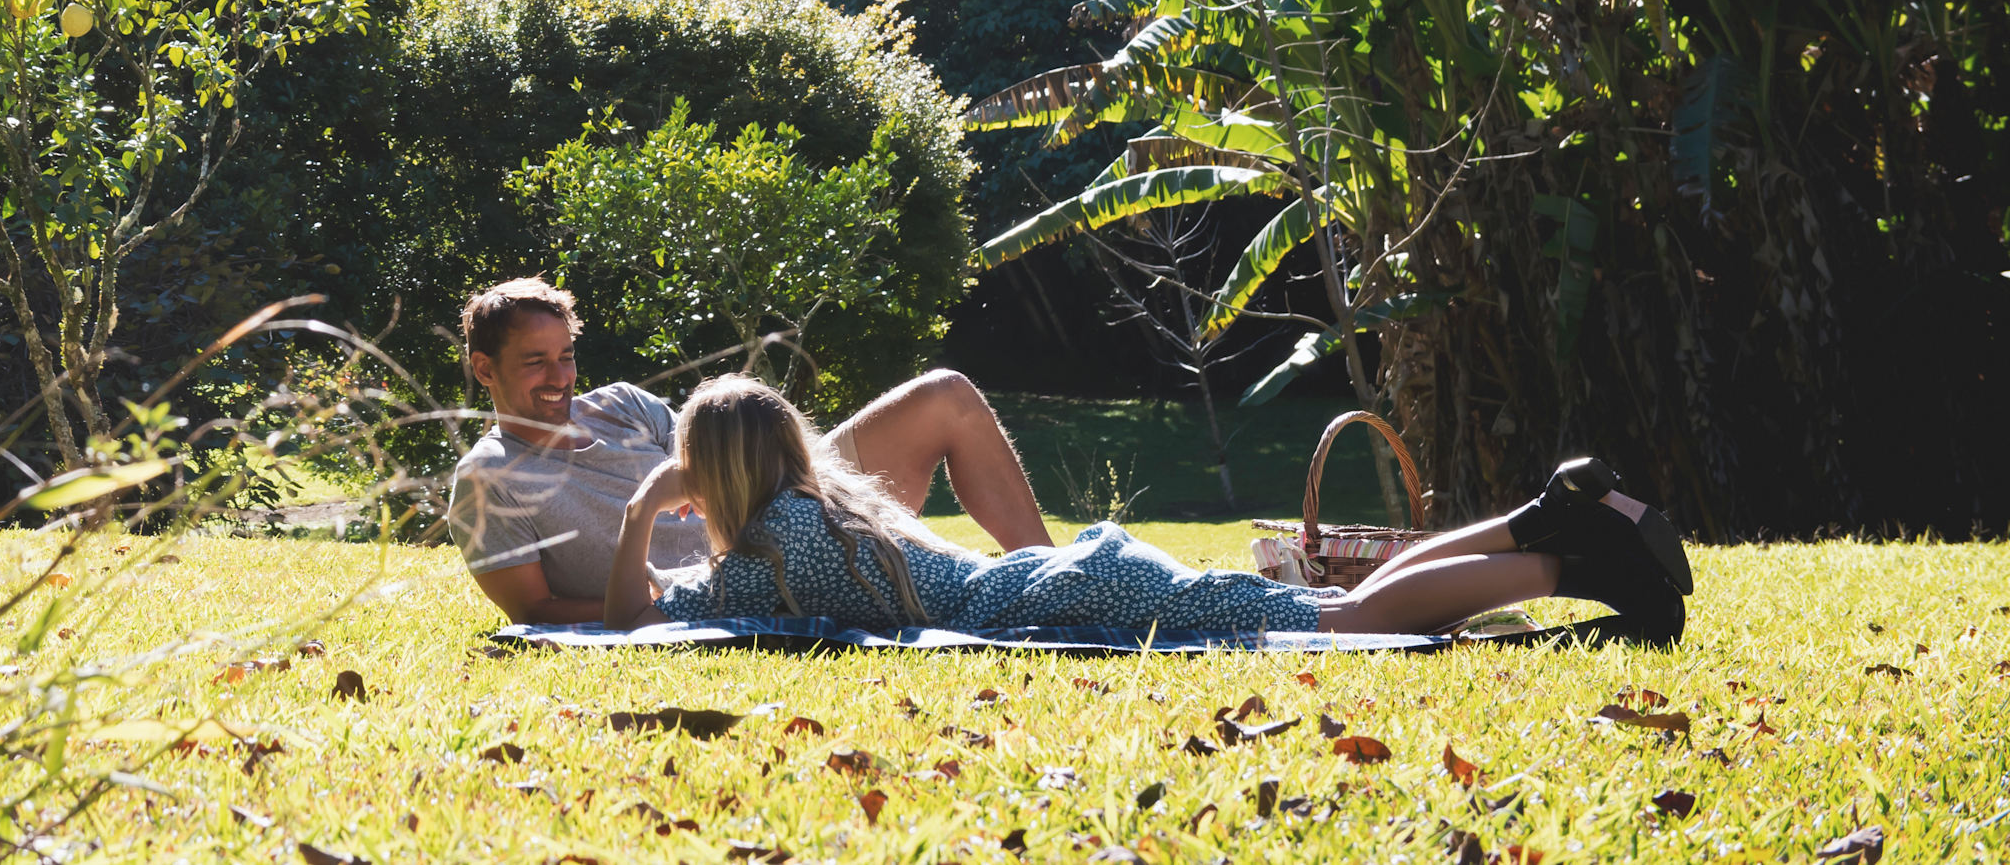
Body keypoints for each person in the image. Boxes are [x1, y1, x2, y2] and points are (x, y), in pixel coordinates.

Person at [602, 374, 1696, 645]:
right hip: (1070, 577)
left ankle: (1575, 563)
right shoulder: (824, 504)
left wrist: (644, 507)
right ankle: (1549, 515)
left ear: (711, 473)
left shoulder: (762, 564)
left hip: (1079, 602)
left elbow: (629, 620)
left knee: (1348, 624)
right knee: (1348, 607)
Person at [446, 277, 1058, 627]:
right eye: (535, 362)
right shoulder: (488, 479)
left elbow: (724, 456)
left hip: (789, 515)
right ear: (484, 368)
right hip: (727, 581)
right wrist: (660, 597)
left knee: (945, 395)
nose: (560, 376)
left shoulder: (622, 405)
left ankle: (1048, 580)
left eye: (566, 356)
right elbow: (532, 610)